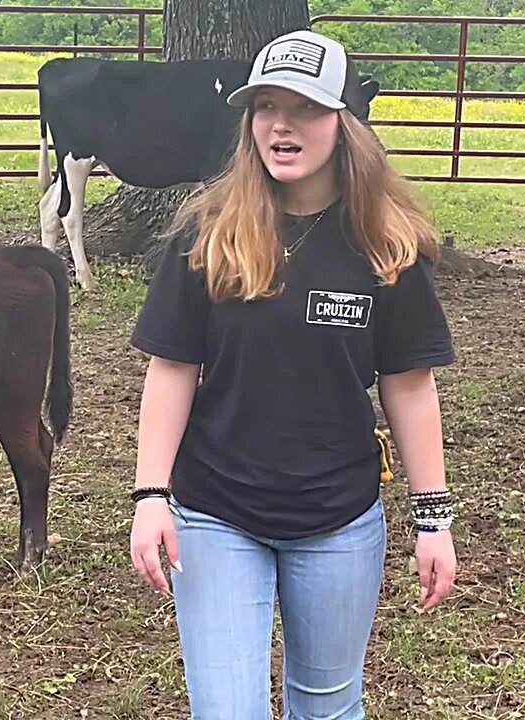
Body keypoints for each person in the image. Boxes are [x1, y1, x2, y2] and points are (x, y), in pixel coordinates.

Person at [126, 28, 459, 719]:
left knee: (328, 707)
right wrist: (150, 496)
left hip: (338, 517)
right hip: (217, 511)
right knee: (226, 711)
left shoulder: (386, 246)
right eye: (265, 106)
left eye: (305, 108)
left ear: (343, 122)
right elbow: (172, 368)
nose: (282, 125)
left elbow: (409, 385)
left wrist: (433, 519)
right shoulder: (207, 233)